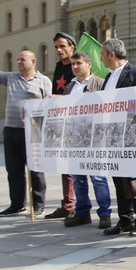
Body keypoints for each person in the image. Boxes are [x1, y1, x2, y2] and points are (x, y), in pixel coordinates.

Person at [0, 37, 51, 217]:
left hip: (33, 130)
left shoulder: (44, 81)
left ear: (33, 61)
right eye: (17, 59)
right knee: (14, 169)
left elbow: (48, 104)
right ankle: (17, 204)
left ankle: (38, 204)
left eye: (22, 59)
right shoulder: (10, 78)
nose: (18, 62)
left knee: (36, 169)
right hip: (11, 129)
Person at [99, 38, 136, 236]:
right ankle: (125, 219)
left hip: (133, 137)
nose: (101, 59)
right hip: (112, 137)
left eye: (103, 54)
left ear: (112, 54)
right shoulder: (107, 78)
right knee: (119, 179)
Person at [62, 51, 112, 229]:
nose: (75, 67)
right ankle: (82, 212)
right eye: (73, 64)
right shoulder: (70, 87)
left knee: (98, 177)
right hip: (75, 138)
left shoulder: (99, 83)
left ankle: (105, 214)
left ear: (89, 64)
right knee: (78, 178)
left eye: (79, 63)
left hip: (95, 138)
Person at [45, 32, 78, 220]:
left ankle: (78, 205)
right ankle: (68, 205)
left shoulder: (77, 65)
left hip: (76, 123)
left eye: (62, 46)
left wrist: (57, 98)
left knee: (78, 168)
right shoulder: (58, 67)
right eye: (56, 47)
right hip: (61, 123)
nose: (58, 50)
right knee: (65, 166)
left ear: (72, 46)